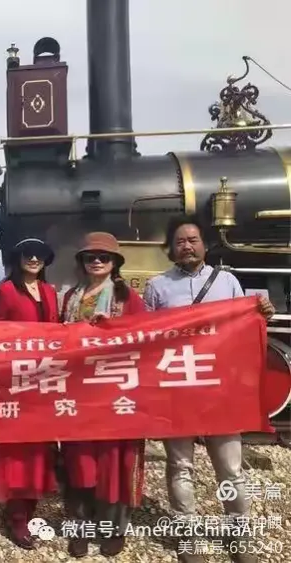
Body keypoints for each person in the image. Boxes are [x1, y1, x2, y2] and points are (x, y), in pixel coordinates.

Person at [143, 215, 274, 563]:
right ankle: (187, 534)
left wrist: (262, 313)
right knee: (180, 466)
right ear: (170, 248)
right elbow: (143, 337)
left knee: (230, 469)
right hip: (176, 390)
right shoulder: (157, 287)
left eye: (193, 240)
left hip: (221, 391)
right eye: (180, 241)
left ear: (204, 244)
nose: (187, 246)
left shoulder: (228, 281)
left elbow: (245, 325)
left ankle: (238, 534)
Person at [59, 232, 146, 558]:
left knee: (114, 461)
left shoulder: (128, 298)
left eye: (103, 257)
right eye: (90, 257)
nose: (96, 261)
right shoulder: (71, 297)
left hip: (116, 390)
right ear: (81, 262)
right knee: (79, 459)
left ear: (114, 263)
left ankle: (113, 528)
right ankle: (80, 526)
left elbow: (144, 337)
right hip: (79, 390)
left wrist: (113, 327)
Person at [0, 238, 59, 550]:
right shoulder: (6, 291)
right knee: (16, 447)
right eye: (28, 254)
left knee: (41, 445)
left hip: (46, 380)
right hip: (17, 381)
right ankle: (16, 515)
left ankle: (31, 506)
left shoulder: (50, 291)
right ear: (18, 259)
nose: (34, 259)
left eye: (39, 255)